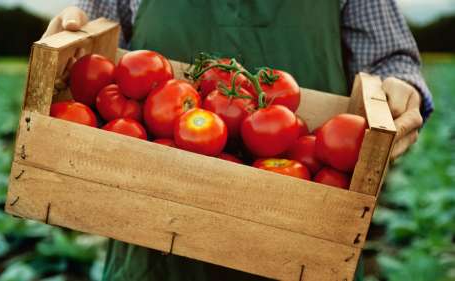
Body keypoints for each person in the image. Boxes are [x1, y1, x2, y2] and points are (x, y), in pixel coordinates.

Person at [42, 1, 434, 280]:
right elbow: (97, 40)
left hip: (307, 239)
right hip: (151, 241)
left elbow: (389, 61)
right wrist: (75, 33)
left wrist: (401, 87)